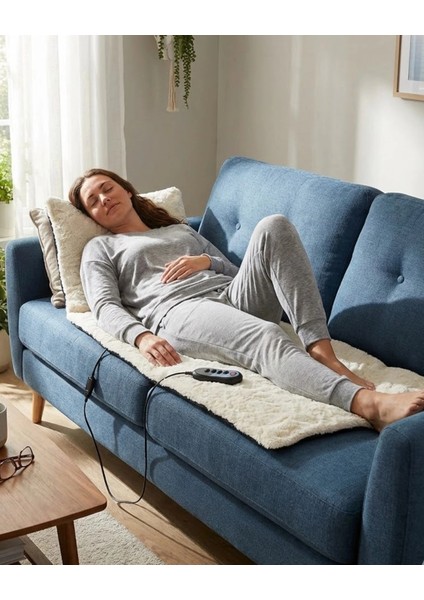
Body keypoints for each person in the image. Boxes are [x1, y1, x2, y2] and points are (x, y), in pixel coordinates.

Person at [69, 168, 424, 432]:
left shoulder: (179, 230)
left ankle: (321, 350)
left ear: (127, 190)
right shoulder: (101, 247)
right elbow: (104, 306)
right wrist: (142, 336)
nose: (104, 199)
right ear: (92, 216)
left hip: (230, 293)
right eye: (93, 201)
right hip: (180, 310)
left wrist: (205, 261)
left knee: (274, 225)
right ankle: (368, 404)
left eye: (107, 188)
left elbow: (235, 270)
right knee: (267, 335)